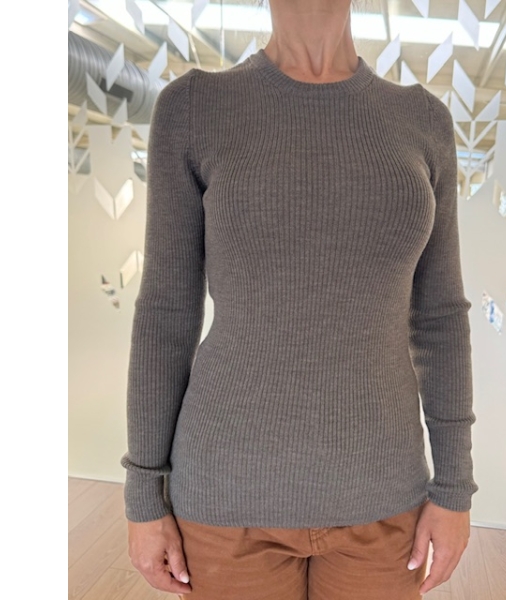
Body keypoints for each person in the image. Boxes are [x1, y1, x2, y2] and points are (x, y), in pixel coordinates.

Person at [120, 0, 479, 598]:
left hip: (385, 500)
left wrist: (455, 487)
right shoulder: (195, 108)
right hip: (226, 501)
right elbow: (166, 314)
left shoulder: (422, 120)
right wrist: (142, 494)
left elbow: (440, 318)